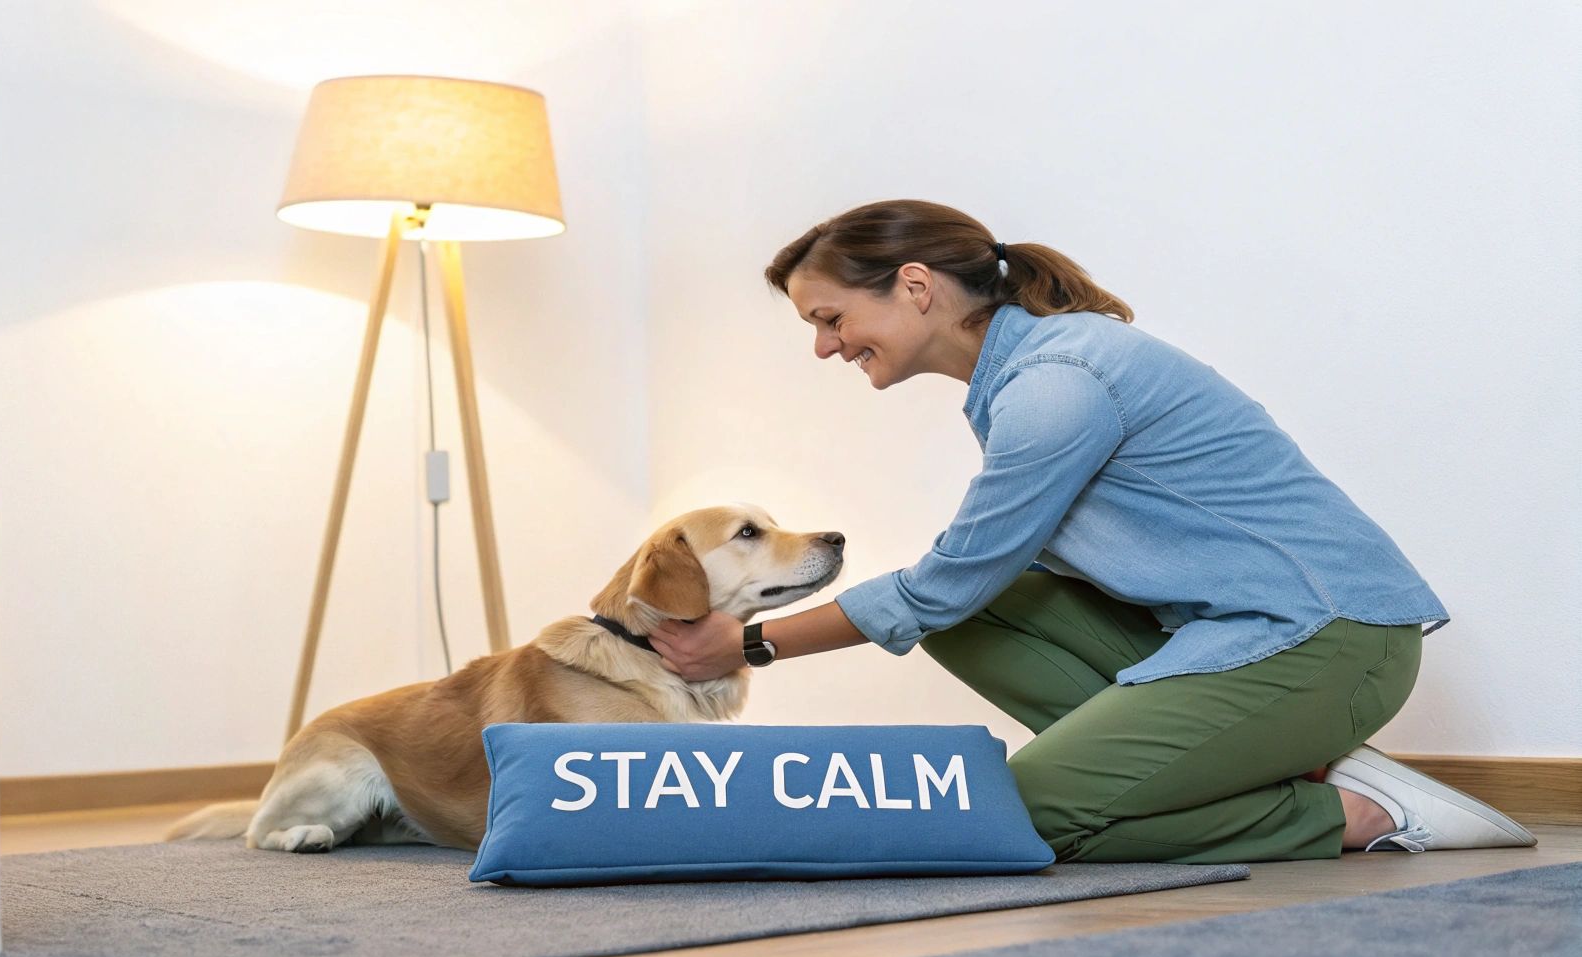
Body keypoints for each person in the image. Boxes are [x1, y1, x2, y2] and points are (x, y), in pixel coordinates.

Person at [647, 199, 1536, 863]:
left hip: (1326, 641)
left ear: (914, 288)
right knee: (988, 610)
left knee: (1026, 814)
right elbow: (971, 592)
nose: (826, 348)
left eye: (830, 319)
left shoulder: (1057, 385)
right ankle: (1241, 764)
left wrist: (749, 647)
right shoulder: (1026, 377)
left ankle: (1347, 814)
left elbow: (943, 583)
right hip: (1244, 637)